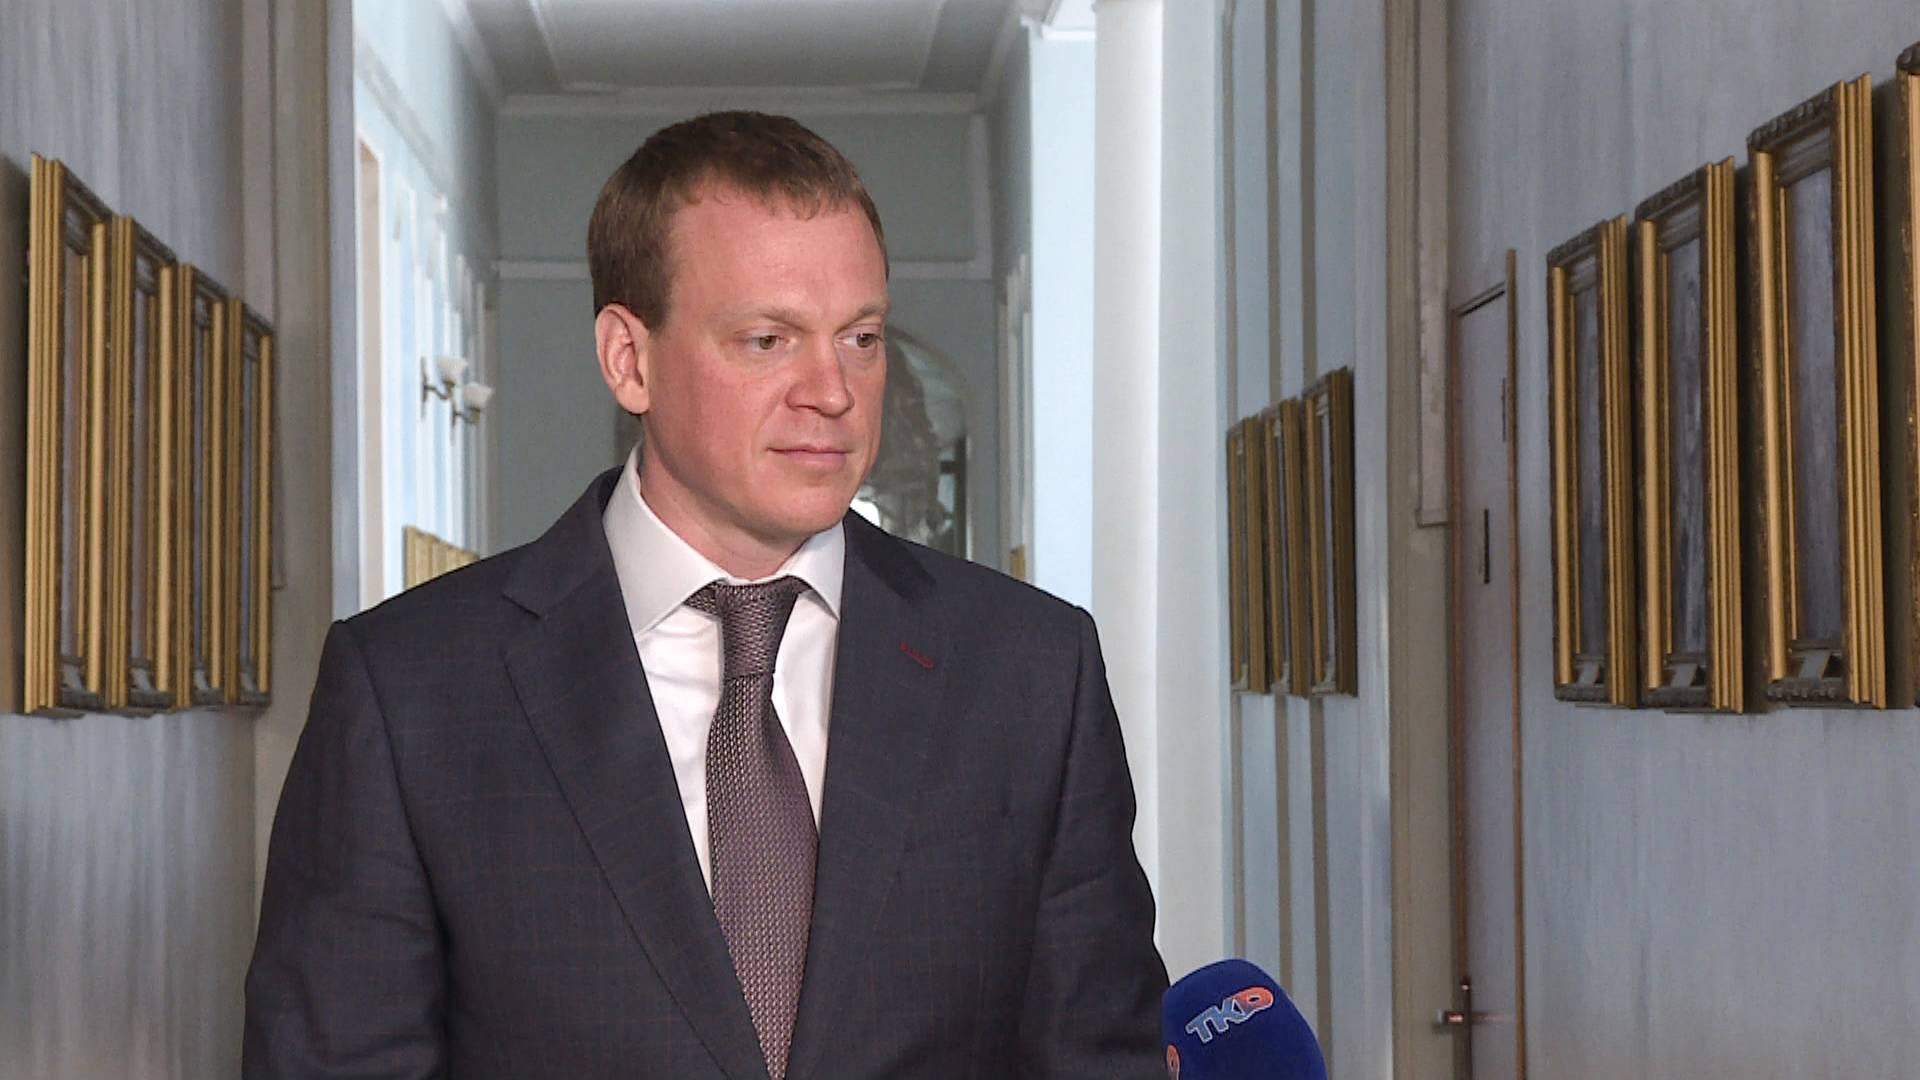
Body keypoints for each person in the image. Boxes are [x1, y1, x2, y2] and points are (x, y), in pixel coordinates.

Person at [243, 111, 1167, 1079]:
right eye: (769, 339)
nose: (833, 391)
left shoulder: (1032, 672)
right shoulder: (410, 692)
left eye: (860, 337)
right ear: (629, 359)